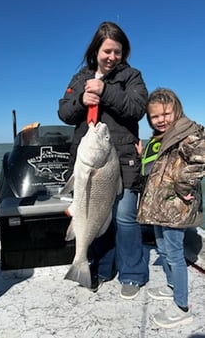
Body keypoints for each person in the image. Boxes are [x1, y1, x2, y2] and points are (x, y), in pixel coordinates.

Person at [58, 21, 149, 299]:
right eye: (107, 51)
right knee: (94, 215)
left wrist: (105, 91)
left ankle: (132, 273)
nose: (112, 57)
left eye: (118, 52)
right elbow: (64, 112)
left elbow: (137, 108)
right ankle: (100, 267)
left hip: (121, 159)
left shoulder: (132, 76)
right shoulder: (79, 78)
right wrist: (80, 100)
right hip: (88, 160)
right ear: (96, 49)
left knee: (124, 216)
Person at [137, 88, 205, 328]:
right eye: (155, 117)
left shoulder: (188, 132)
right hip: (160, 209)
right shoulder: (161, 137)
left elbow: (201, 159)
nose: (161, 120)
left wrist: (183, 185)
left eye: (166, 113)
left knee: (175, 255)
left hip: (175, 207)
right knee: (164, 249)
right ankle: (173, 287)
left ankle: (182, 306)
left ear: (176, 110)